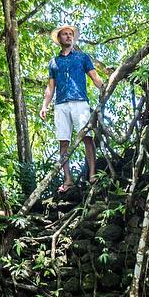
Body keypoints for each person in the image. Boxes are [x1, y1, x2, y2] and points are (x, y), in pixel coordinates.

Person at [40, 23, 106, 191]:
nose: (68, 36)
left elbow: (95, 77)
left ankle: (92, 174)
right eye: (65, 34)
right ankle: (67, 179)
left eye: (70, 34)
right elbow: (50, 87)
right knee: (63, 141)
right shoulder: (54, 62)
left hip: (80, 102)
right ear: (59, 38)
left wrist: (104, 88)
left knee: (87, 137)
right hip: (61, 104)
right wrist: (45, 106)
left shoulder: (82, 57)